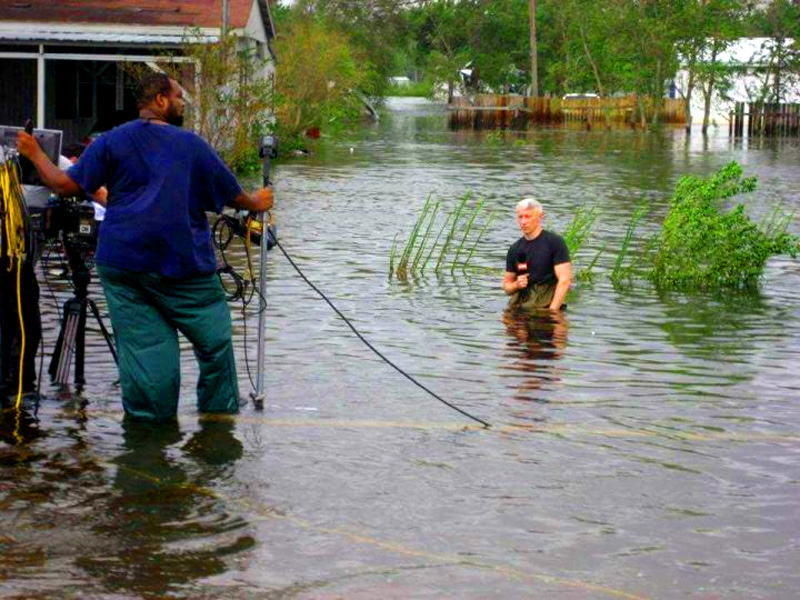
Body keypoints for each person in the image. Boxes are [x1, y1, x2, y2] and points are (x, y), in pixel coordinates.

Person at [16, 72, 274, 420]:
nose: (184, 103)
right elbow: (235, 197)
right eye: (180, 96)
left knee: (148, 353)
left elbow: (64, 185)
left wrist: (34, 153)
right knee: (214, 341)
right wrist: (259, 201)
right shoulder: (191, 145)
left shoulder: (110, 141)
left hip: (124, 266)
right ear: (161, 101)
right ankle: (217, 425)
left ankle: (148, 440)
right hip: (182, 268)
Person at [502, 198, 571, 311]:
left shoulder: (554, 242)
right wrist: (516, 285)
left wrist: (552, 312)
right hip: (520, 306)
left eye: (528, 216)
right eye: (520, 217)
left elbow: (564, 280)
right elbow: (507, 286)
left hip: (546, 306)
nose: (523, 222)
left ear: (540, 217)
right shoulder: (515, 249)